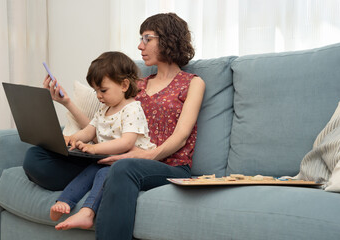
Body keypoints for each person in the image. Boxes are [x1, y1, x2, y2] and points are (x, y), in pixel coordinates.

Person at [23, 12, 205, 239]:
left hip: (166, 165)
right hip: (117, 157)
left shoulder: (193, 83)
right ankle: (94, 183)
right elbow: (101, 125)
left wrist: (142, 156)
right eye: (141, 39)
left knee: (121, 169)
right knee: (36, 156)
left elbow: (181, 136)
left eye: (147, 39)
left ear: (169, 39)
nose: (140, 46)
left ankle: (99, 185)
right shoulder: (136, 85)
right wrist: (66, 103)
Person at [48, 51, 156, 230]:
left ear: (124, 85)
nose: (98, 96)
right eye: (96, 90)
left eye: (103, 90)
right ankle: (64, 202)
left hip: (128, 161)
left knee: (102, 174)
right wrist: (72, 138)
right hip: (107, 159)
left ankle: (87, 212)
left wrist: (94, 149)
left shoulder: (132, 109)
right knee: (88, 172)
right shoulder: (103, 110)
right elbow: (89, 132)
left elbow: (126, 143)